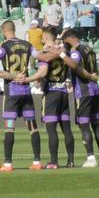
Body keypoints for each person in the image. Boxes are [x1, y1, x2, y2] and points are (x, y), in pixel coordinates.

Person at [0, 21, 42, 172]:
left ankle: (8, 163)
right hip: (26, 90)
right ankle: (37, 161)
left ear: (4, 31)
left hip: (12, 91)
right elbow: (39, 56)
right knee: (32, 127)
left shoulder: (5, 46)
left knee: (9, 128)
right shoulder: (28, 45)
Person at [61, 29, 99, 167]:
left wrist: (62, 55)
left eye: (64, 41)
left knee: (84, 124)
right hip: (95, 90)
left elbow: (75, 66)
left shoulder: (76, 51)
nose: (64, 43)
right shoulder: (90, 49)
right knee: (96, 123)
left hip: (83, 91)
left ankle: (91, 157)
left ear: (69, 38)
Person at [33, 27, 76, 168]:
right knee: (66, 129)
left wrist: (35, 79)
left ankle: (54, 161)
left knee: (51, 129)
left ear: (45, 37)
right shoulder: (64, 51)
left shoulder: (45, 53)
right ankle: (70, 161)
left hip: (50, 93)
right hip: (63, 92)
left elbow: (42, 73)